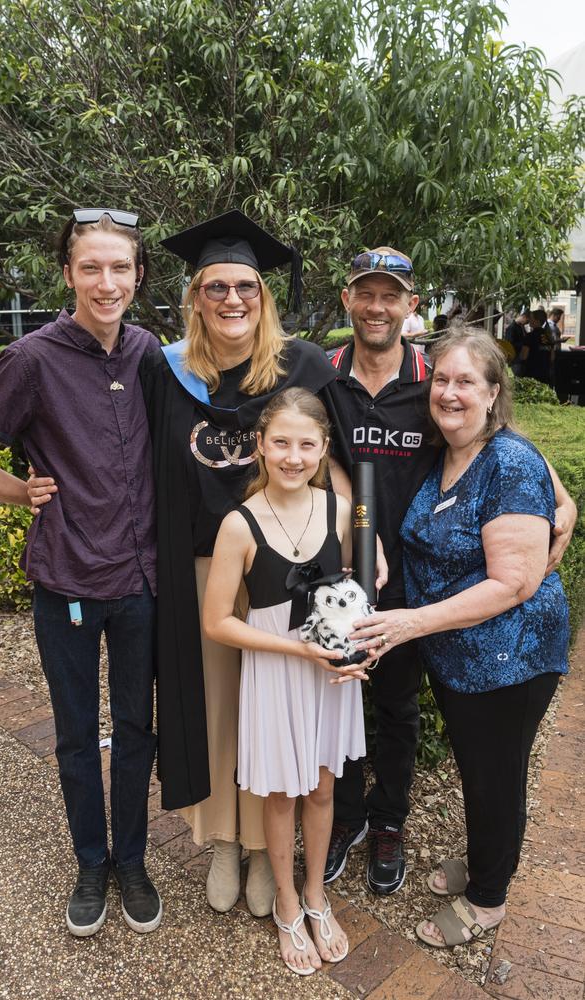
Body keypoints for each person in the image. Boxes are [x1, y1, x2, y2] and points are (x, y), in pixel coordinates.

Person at [320, 247, 576, 899]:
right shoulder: (322, 374)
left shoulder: (438, 378)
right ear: (347, 299)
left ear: (411, 306)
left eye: (392, 295)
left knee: (397, 709)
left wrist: (562, 511)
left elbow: (512, 454)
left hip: (418, 591)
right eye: (365, 293)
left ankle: (388, 823)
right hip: (343, 576)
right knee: (340, 701)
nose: (378, 306)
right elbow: (315, 450)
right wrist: (355, 519)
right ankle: (345, 818)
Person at [0, 209, 163, 937]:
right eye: (92, 268)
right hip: (68, 579)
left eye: (121, 268)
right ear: (68, 274)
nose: (108, 283)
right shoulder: (31, 359)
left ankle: (131, 860)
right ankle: (90, 859)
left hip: (142, 582)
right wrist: (24, 492)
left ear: (138, 275)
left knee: (136, 728)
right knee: (77, 735)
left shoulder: (147, 351)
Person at [138, 211, 347, 918]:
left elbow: (347, 466)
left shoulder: (306, 367)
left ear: (265, 295)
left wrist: (362, 544)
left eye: (247, 288)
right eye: (216, 287)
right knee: (219, 713)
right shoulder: (164, 371)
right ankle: (224, 839)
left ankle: (266, 848)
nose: (233, 300)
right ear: (196, 296)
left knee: (277, 716)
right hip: (199, 570)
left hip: (288, 579)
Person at [354, 328, 570, 947]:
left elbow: (513, 584)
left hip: (510, 657)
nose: (449, 392)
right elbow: (563, 498)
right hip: (457, 655)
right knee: (478, 768)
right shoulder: (444, 446)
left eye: (465, 381)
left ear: (493, 392)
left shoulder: (509, 459)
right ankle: (484, 865)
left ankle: (488, 900)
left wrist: (409, 623)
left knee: (494, 775)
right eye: (441, 380)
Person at [202, 387, 372, 976]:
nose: (293, 456)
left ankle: (318, 896)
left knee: (323, 788)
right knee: (281, 792)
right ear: (260, 447)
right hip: (278, 670)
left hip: (329, 675)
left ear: (324, 447)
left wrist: (359, 640)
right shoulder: (238, 525)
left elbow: (355, 589)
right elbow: (217, 620)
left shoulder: (337, 508)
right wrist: (296, 649)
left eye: (306, 444)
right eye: (281, 443)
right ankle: (287, 901)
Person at [520, 308, 553, 383]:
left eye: (531, 318)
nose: (529, 320)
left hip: (532, 375)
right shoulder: (548, 336)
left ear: (537, 321)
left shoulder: (530, 336)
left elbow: (524, 356)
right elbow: (552, 358)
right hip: (545, 375)